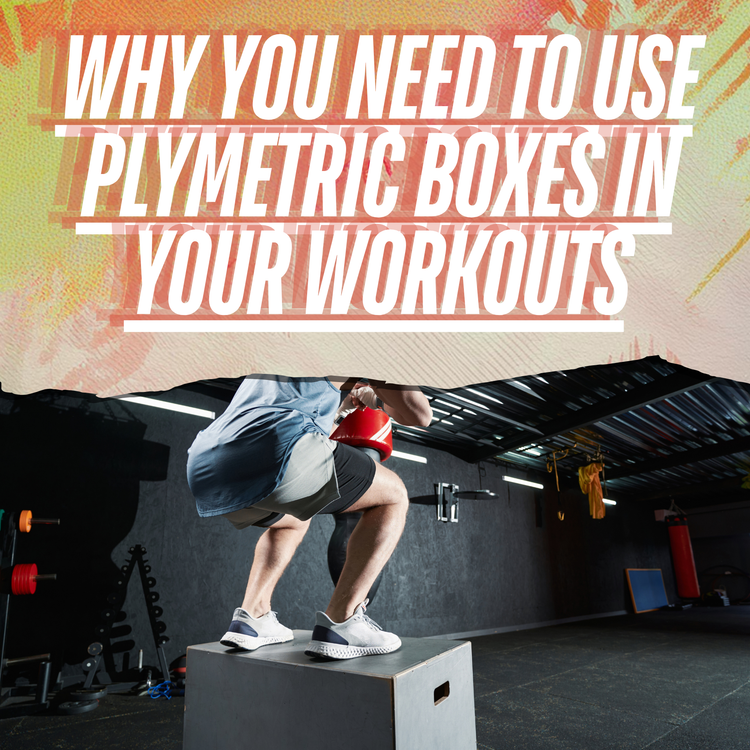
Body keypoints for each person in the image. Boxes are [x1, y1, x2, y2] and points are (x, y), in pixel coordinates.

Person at [186, 375, 432, 660]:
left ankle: (252, 617)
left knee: (294, 520)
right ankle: (342, 623)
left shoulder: (278, 352)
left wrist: (341, 409)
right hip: (274, 446)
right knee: (394, 496)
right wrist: (377, 393)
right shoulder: (363, 335)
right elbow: (420, 415)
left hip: (207, 462)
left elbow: (307, 417)